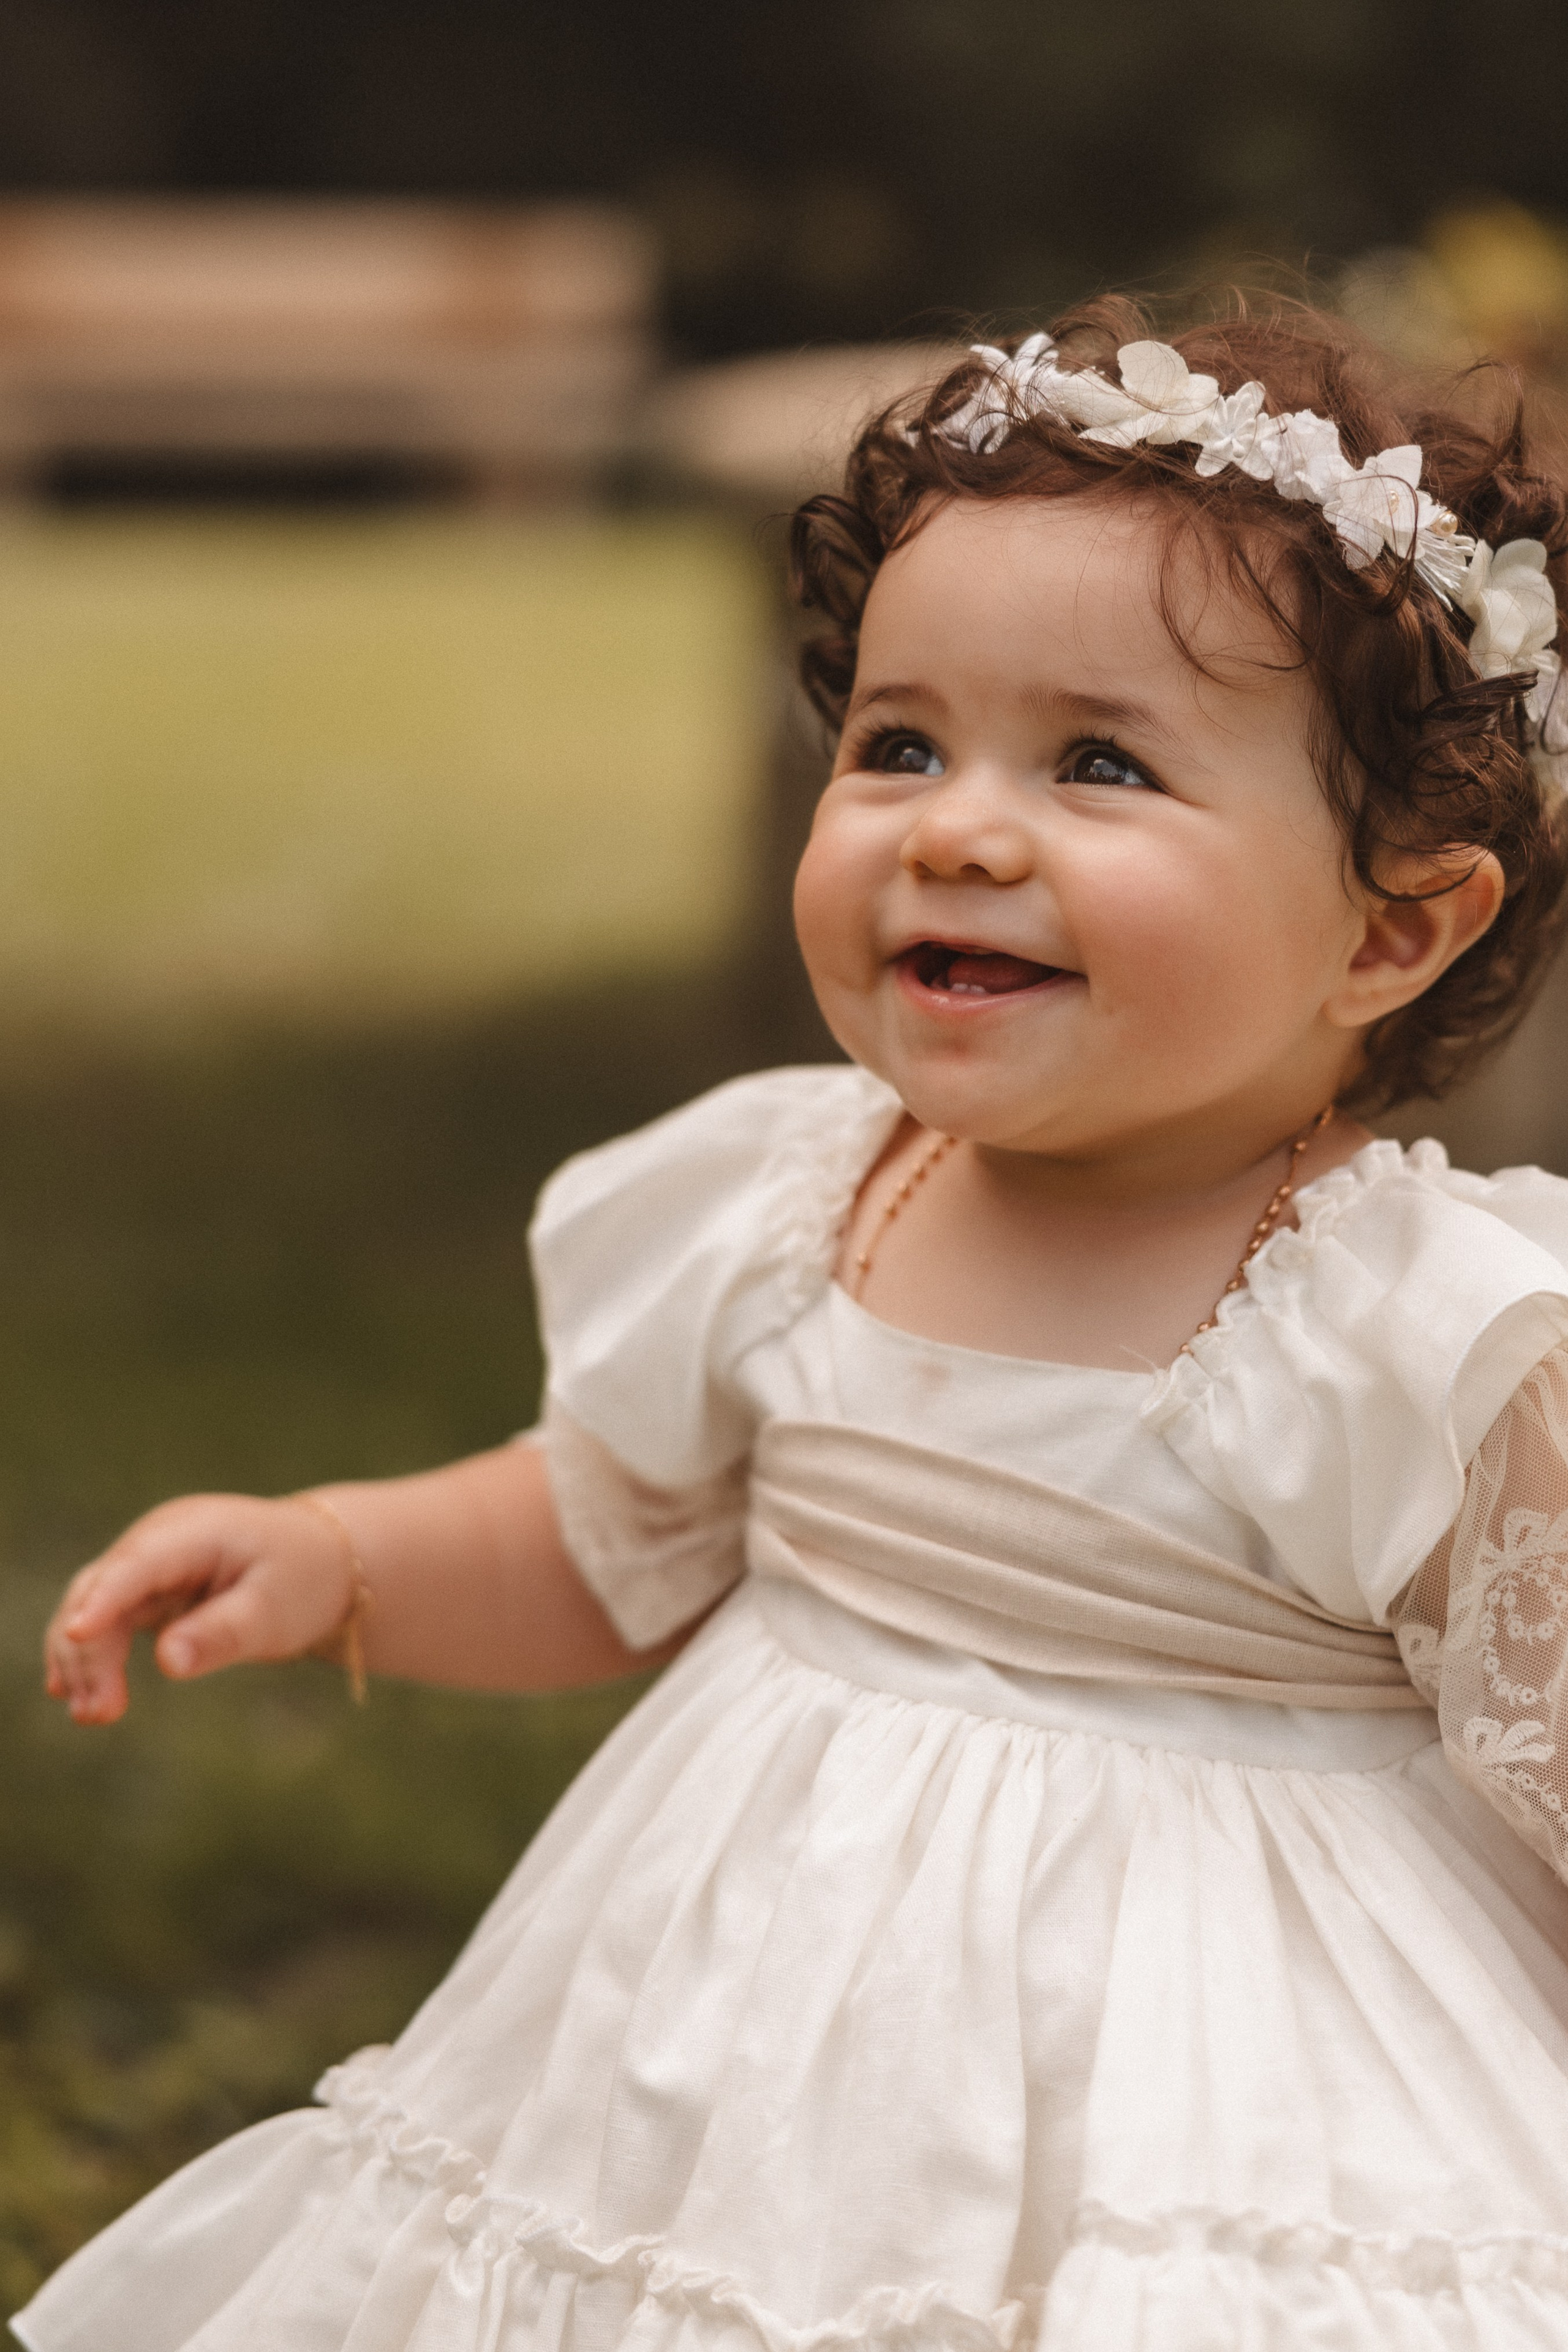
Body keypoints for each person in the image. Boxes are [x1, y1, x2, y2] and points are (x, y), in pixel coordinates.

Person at [18, 295, 1568, 2352]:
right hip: (722, 2071)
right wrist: (343, 1555)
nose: (960, 825)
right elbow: (614, 1536)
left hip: (1210, 2110)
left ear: (1391, 922)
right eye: (899, 744)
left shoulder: (1407, 1335)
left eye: (1100, 762)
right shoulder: (797, 1198)